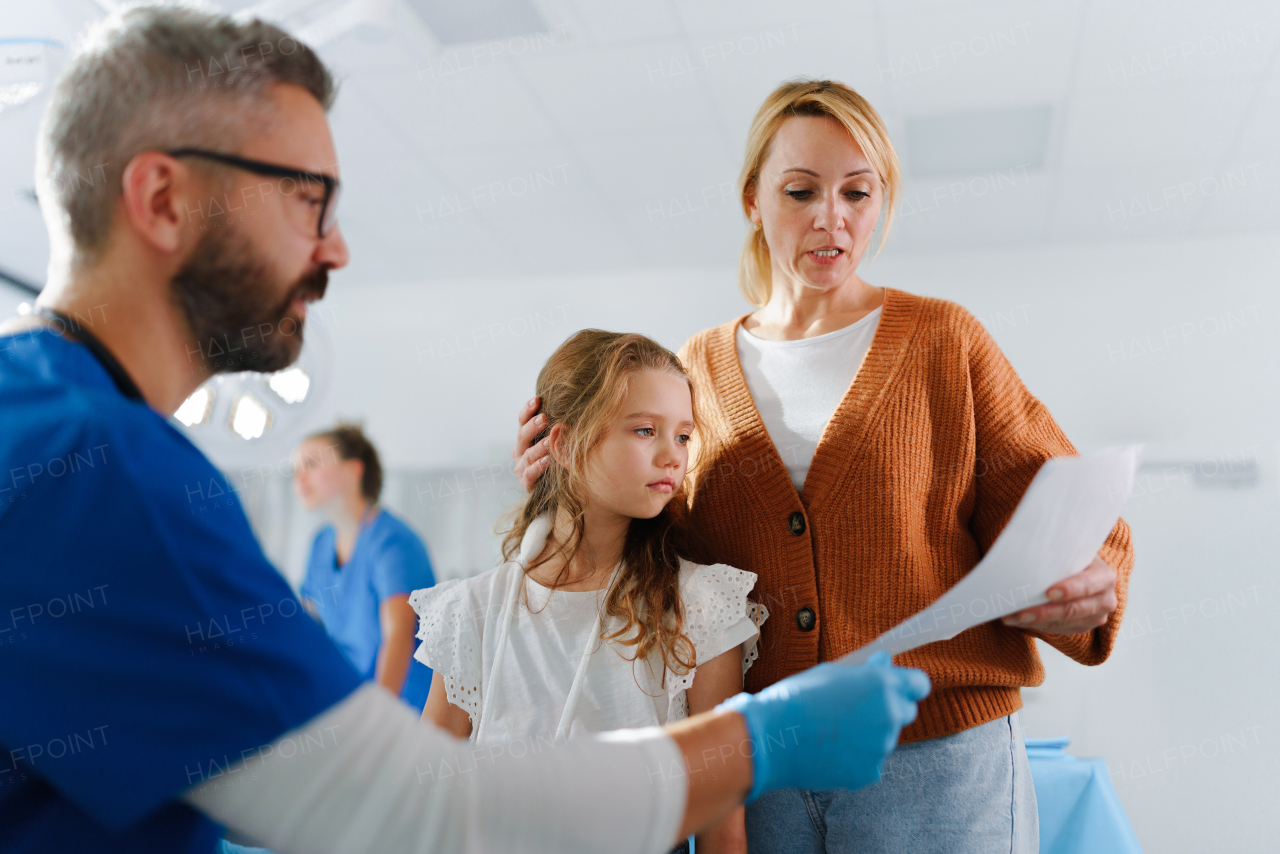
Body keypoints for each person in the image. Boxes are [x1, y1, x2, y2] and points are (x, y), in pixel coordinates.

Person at [0, 10, 930, 853]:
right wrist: (762, 741)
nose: (338, 248)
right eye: (306, 199)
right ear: (163, 200)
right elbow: (419, 811)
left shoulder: (39, 420)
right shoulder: (101, 472)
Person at [514, 79, 1136, 853]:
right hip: (764, 766)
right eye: (801, 191)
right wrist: (569, 487)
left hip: (937, 765)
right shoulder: (692, 371)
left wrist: (1091, 585)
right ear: (753, 199)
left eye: (857, 193)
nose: (830, 218)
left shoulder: (946, 340)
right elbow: (654, 554)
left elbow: (1061, 500)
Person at [413, 331, 769, 854]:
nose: (673, 456)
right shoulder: (473, 611)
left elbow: (722, 829)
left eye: (685, 436)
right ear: (562, 443)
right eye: (646, 430)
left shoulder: (701, 606)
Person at [294, 423, 435, 712]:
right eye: (295, 470)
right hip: (350, 704)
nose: (300, 478)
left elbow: (398, 635)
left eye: (311, 464)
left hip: (406, 708)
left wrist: (379, 718)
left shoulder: (392, 542)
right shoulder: (320, 544)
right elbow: (304, 629)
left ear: (353, 470)